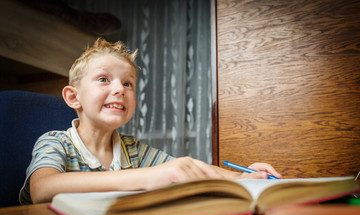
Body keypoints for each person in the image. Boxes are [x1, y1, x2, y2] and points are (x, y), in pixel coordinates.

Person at [20, 38, 281, 205]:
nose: (119, 89)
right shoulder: (55, 142)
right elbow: (43, 188)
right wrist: (144, 177)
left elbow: (186, 168)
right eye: (103, 79)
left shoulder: (132, 149)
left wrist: (244, 176)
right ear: (73, 97)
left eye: (127, 83)